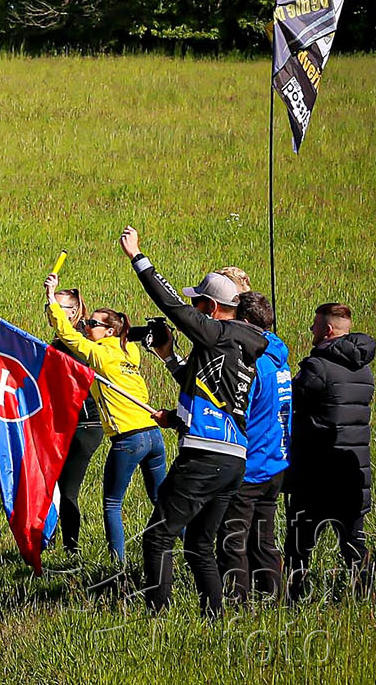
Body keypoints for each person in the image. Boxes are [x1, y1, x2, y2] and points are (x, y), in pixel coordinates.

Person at [120, 226, 267, 616]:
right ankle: (213, 619)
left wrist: (139, 258)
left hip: (204, 457)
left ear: (213, 308)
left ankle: (156, 617)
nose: (195, 310)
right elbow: (208, 388)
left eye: (199, 303)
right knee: (199, 544)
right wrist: (169, 360)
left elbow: (173, 307)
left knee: (158, 537)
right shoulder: (239, 345)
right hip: (233, 459)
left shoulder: (219, 333)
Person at [44, 274, 166, 565]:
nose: (86, 326)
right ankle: (191, 550)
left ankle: (117, 567)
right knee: (163, 502)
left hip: (129, 437)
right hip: (153, 434)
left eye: (92, 324)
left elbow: (69, 336)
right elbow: (125, 336)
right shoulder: (128, 351)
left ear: (109, 331)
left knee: (112, 504)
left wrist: (51, 300)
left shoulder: (99, 354)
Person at [286, 302, 374, 601]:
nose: (311, 329)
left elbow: (290, 400)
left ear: (327, 329)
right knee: (353, 543)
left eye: (314, 324)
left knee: (299, 545)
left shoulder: (317, 367)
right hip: (354, 473)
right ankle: (364, 598)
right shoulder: (364, 368)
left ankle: (296, 598)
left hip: (316, 473)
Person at [216, 290, 291, 602]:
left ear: (245, 322)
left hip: (251, 466)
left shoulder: (253, 363)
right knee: (263, 541)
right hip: (276, 463)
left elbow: (237, 412)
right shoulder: (278, 357)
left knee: (232, 541)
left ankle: (237, 604)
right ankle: (276, 598)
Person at [45, 284, 104, 558]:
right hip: (61, 425)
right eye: (48, 306)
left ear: (73, 312)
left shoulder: (80, 341)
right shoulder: (58, 343)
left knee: (67, 490)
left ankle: (72, 551)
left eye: (57, 307)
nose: (50, 311)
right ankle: (49, 541)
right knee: (51, 487)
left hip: (84, 425)